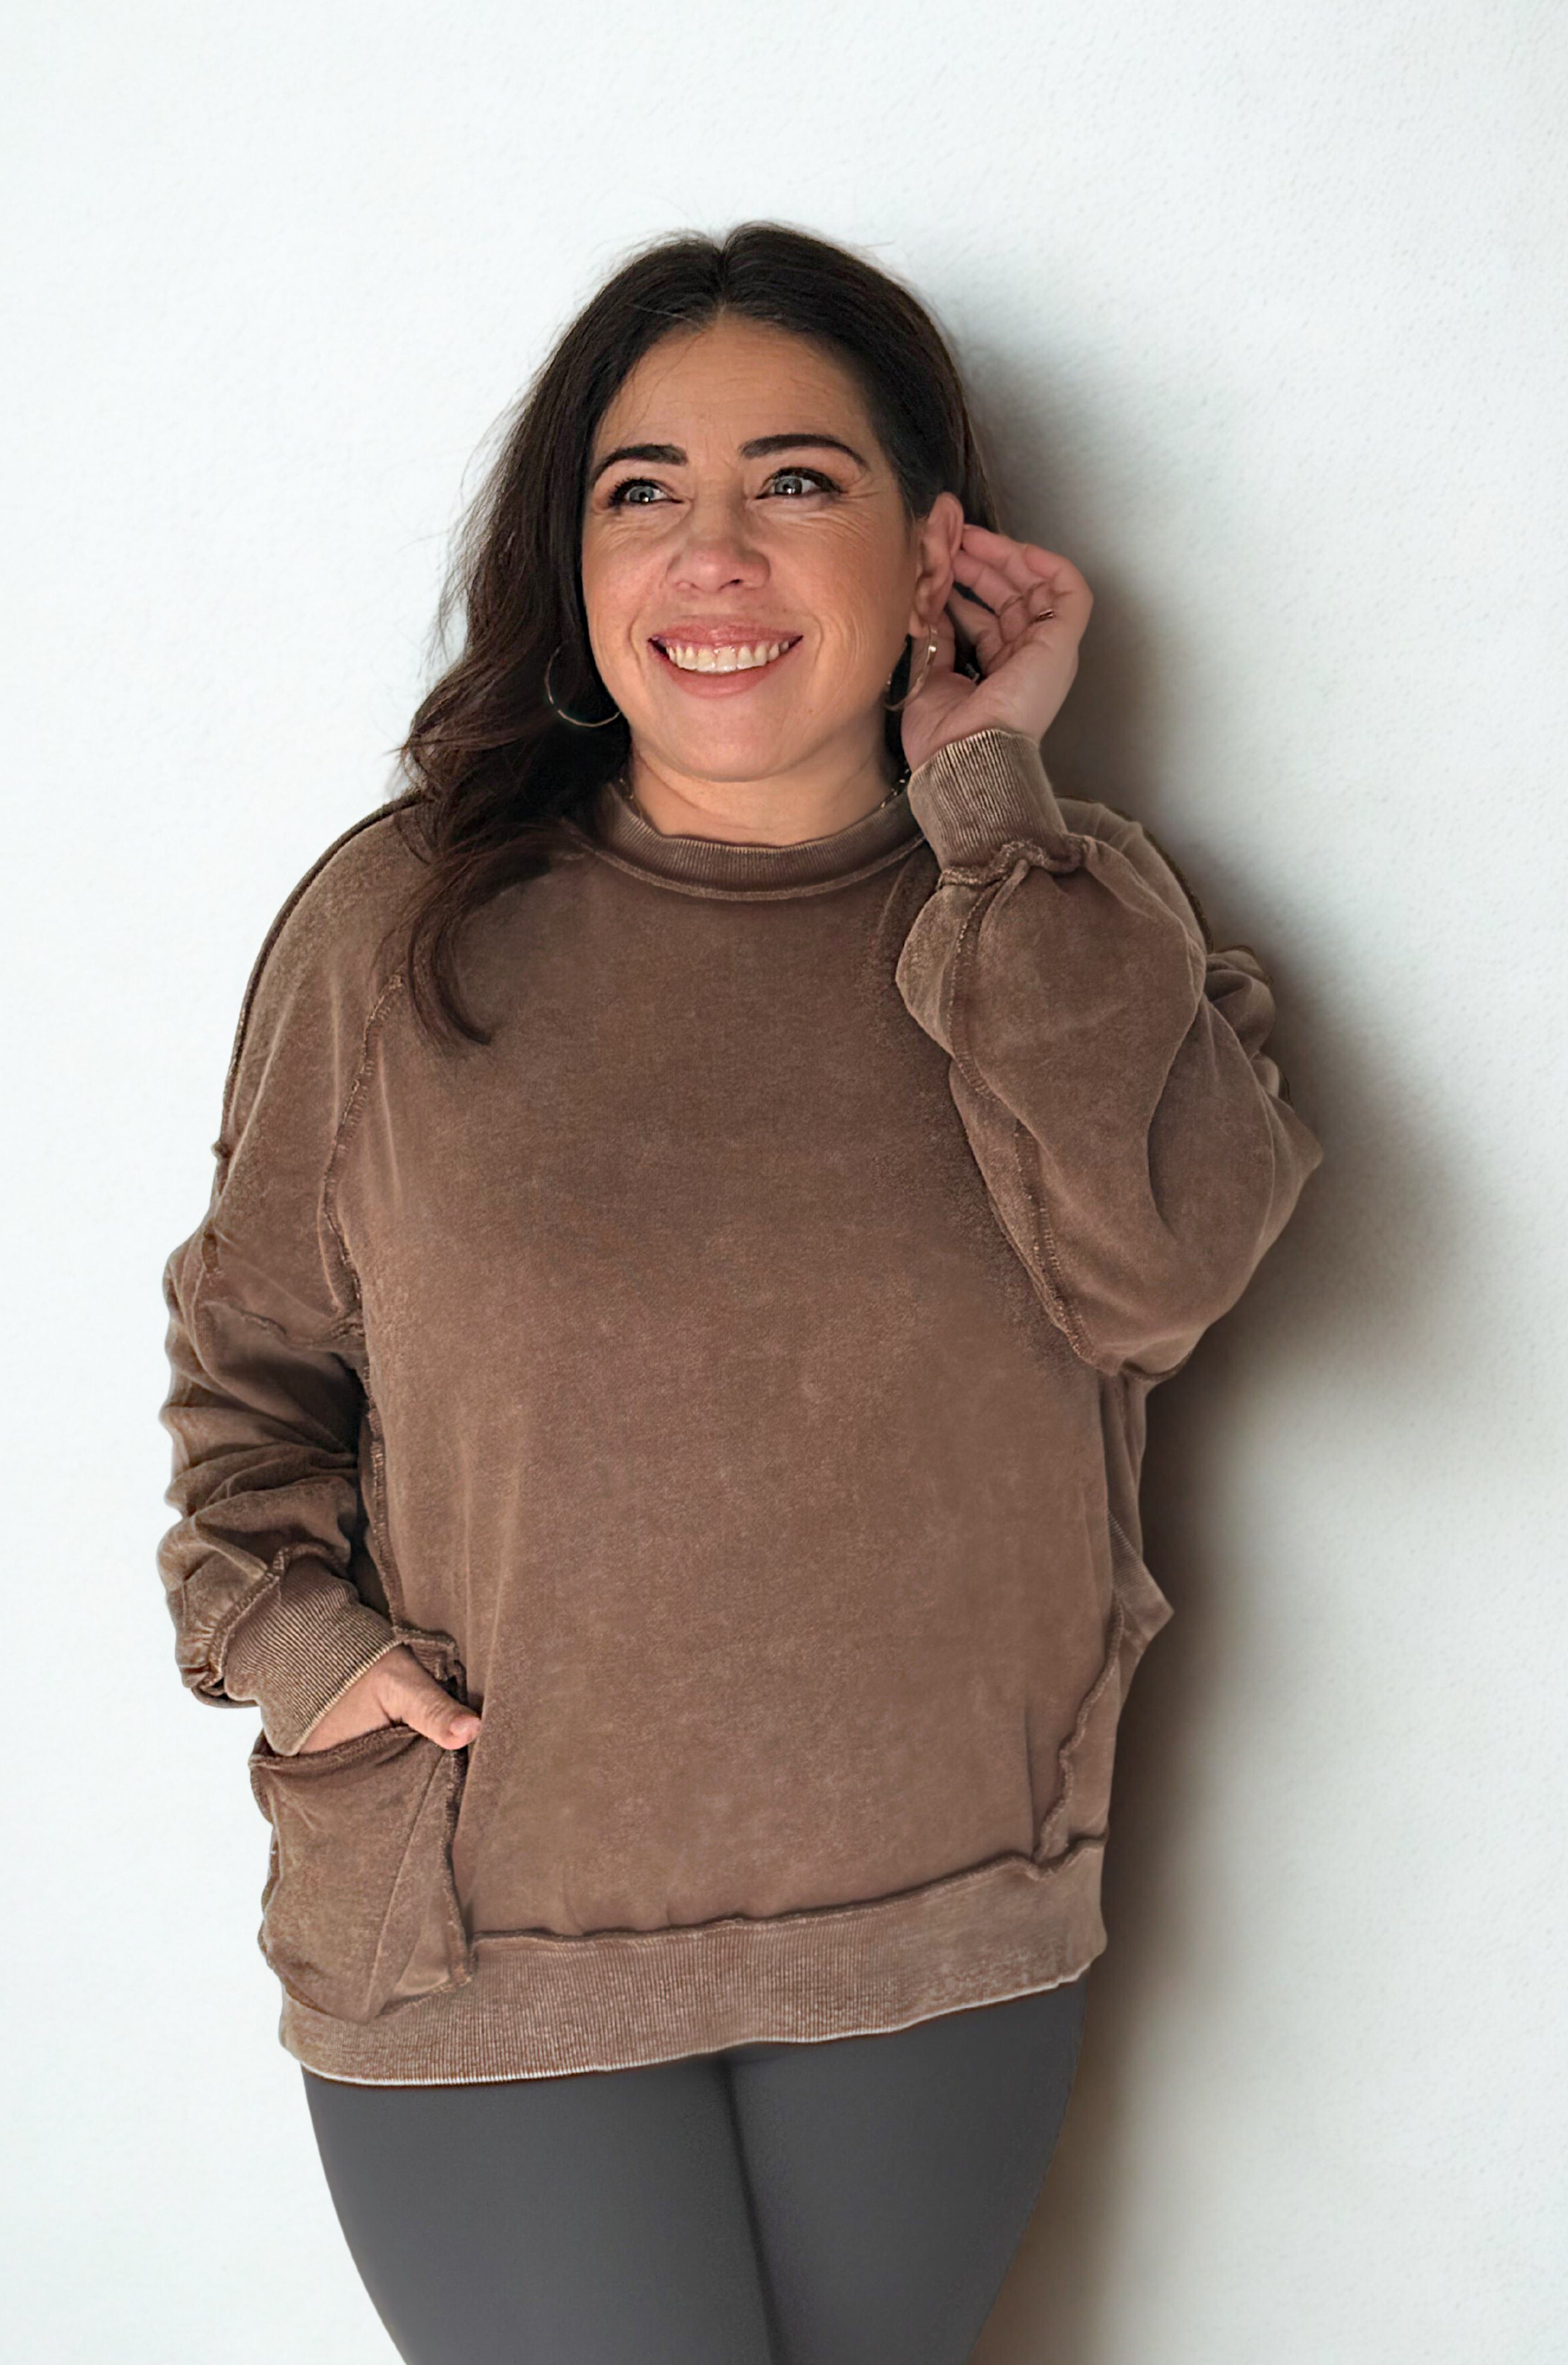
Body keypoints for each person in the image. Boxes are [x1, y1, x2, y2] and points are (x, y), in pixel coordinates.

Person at [155, 222, 1322, 2364]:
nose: (713, 553)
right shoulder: (401, 928)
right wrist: (295, 1647)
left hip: (942, 1920)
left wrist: (991, 799)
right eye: (643, 491)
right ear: (576, 563)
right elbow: (250, 1382)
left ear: (933, 549)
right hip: (489, 1934)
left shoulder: (1066, 912)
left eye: (797, 480)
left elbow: (1160, 1280)